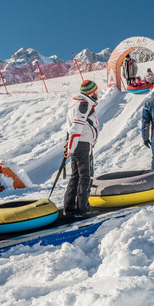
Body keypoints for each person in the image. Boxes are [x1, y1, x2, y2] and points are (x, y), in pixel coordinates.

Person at [63, 80, 100, 218]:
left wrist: (70, 145)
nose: (97, 94)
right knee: (86, 176)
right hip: (82, 144)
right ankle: (82, 208)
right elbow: (76, 127)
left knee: (76, 176)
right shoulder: (83, 104)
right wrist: (71, 148)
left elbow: (73, 127)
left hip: (80, 143)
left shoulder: (77, 103)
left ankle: (69, 207)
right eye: (96, 91)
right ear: (91, 92)